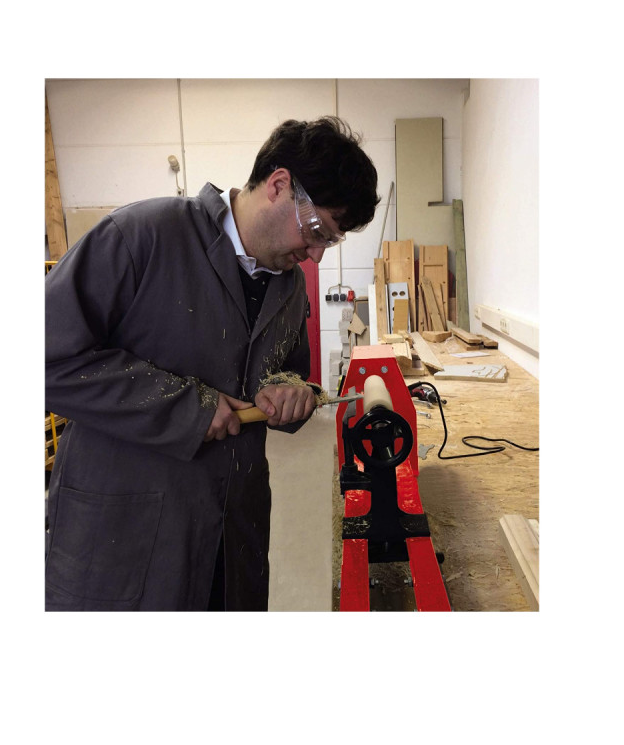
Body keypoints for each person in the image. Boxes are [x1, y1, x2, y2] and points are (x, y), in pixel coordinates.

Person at [45, 116, 380, 611]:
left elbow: (288, 372)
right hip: (127, 533)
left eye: (328, 242)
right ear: (279, 185)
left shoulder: (288, 285)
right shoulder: (142, 236)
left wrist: (293, 392)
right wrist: (189, 409)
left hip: (234, 535)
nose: (315, 256)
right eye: (315, 231)